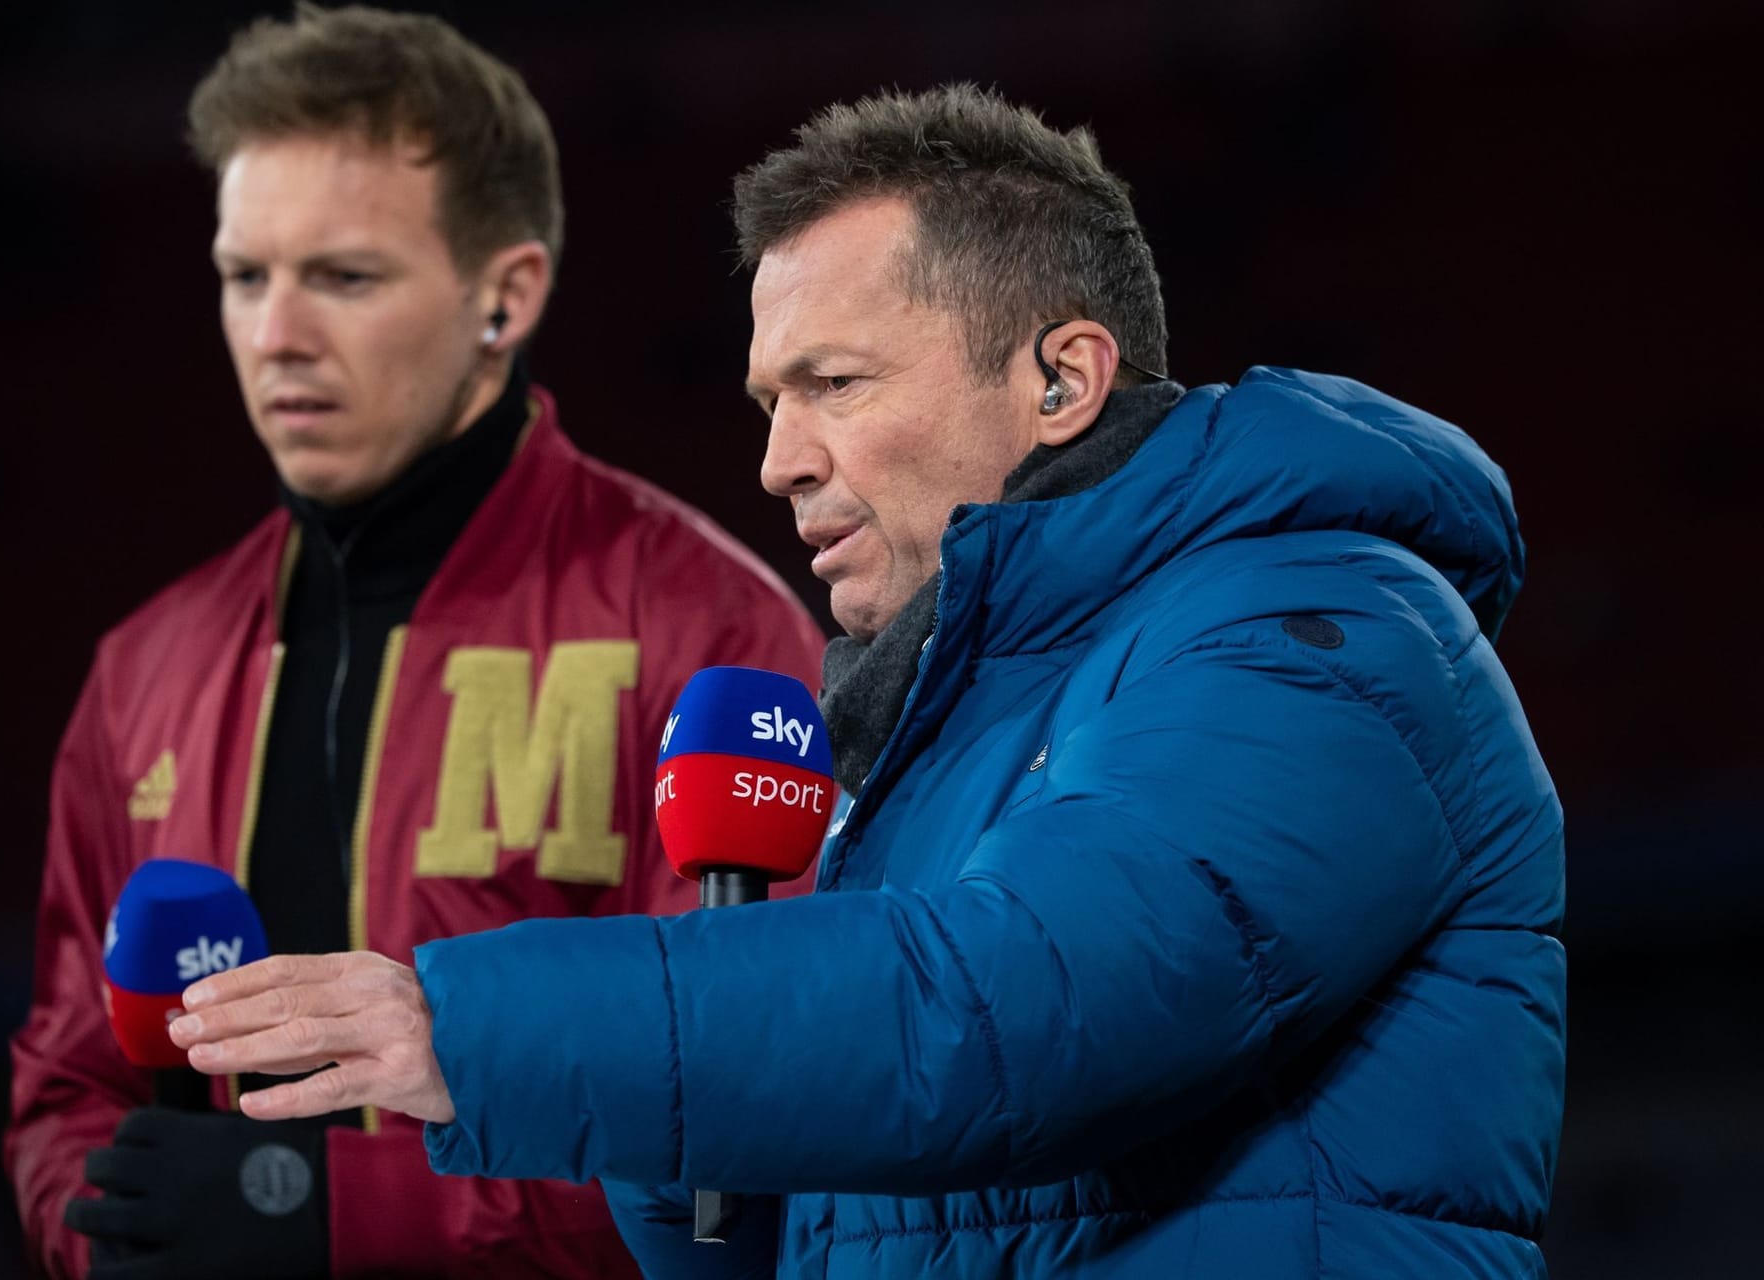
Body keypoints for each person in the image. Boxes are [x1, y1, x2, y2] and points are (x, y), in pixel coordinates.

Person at [169, 84, 1567, 1278]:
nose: (778, 463)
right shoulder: (925, 753)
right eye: (770, 405)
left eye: (833, 384)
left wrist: (480, 1023)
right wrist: (688, 1016)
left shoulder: (1321, 632)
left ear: (1061, 379)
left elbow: (1017, 1018)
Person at [3, 7, 824, 1278]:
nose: (276, 333)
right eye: (244, 275)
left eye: (344, 276)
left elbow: (759, 1120)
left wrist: (336, 1212)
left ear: (506, 295)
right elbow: (67, 1079)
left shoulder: (707, 630)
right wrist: (110, 1232)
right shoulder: (142, 666)